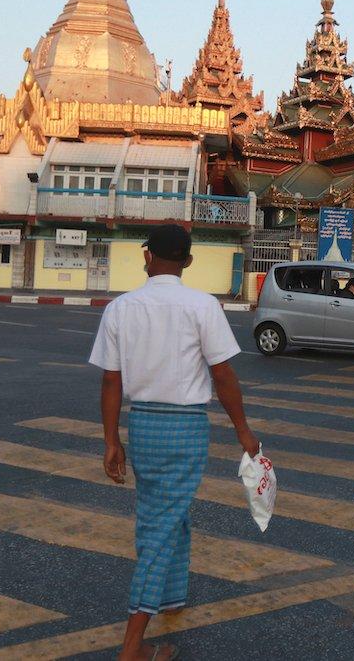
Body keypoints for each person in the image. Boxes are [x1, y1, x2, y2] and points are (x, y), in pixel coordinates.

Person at [91, 224, 260, 661]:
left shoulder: (121, 308)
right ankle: (132, 646)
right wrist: (242, 429)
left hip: (143, 425)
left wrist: (112, 441)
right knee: (161, 527)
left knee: (169, 514)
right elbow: (222, 374)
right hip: (185, 428)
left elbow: (112, 381)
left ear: (147, 257)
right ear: (187, 261)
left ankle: (171, 598)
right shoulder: (202, 306)